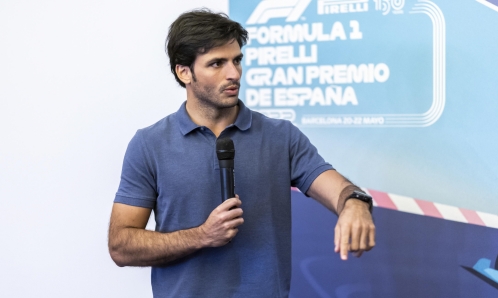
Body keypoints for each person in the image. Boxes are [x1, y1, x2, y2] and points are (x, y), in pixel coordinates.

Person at [108, 9, 375, 297]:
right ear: (184, 72)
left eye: (237, 60)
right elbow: (121, 245)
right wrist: (202, 236)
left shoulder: (280, 136)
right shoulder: (149, 144)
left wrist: (356, 205)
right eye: (216, 64)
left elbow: (340, 190)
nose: (234, 73)